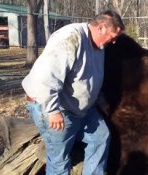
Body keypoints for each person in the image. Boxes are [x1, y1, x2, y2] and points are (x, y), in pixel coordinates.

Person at [22, 10, 125, 175]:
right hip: (55, 106)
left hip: (80, 109)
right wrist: (53, 111)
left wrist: (98, 100)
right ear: (101, 28)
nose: (114, 42)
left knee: (101, 137)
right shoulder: (70, 39)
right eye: (113, 36)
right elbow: (45, 78)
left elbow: (89, 77)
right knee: (59, 159)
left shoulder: (99, 44)